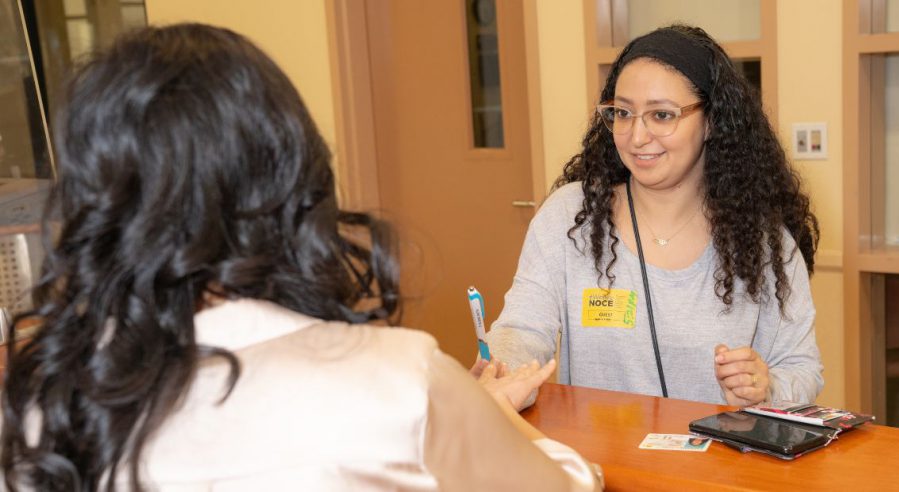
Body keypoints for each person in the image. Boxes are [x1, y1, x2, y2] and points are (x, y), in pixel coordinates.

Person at [0, 24, 600, 491]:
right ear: (291, 177)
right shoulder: (398, 382)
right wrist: (491, 417)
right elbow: (571, 484)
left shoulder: (42, 405)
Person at [485, 24, 823, 408]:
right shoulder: (570, 215)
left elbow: (802, 368)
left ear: (712, 121)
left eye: (662, 115)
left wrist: (767, 388)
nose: (637, 136)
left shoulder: (764, 243)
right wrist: (502, 371)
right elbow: (522, 330)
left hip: (721, 466)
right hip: (597, 464)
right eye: (623, 113)